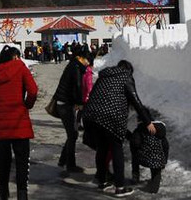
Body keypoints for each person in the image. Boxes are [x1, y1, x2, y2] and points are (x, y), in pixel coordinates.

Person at [82, 60, 155, 198]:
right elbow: (136, 101)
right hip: (111, 117)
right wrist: (147, 122)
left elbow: (92, 95)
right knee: (117, 150)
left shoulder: (104, 76)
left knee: (102, 148)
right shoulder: (126, 77)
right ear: (129, 70)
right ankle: (120, 188)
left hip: (92, 115)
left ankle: (102, 182)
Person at [0, 45, 38, 200]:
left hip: (2, 123)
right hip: (19, 121)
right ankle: (22, 194)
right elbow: (33, 90)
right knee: (22, 160)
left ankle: (3, 192)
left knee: (4, 161)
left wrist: (0, 108)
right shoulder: (21, 68)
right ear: (15, 57)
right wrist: (27, 104)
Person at [52, 46, 89, 172]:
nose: (87, 63)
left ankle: (63, 160)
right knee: (73, 134)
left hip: (64, 102)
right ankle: (70, 165)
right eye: (87, 60)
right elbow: (78, 86)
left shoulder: (73, 65)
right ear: (81, 58)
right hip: (65, 104)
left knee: (72, 134)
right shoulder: (76, 67)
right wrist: (80, 102)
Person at [128, 109, 169, 194]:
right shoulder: (161, 129)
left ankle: (135, 176)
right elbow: (166, 146)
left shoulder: (139, 130)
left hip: (143, 158)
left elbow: (136, 143)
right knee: (156, 172)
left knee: (134, 155)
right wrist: (164, 160)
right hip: (158, 159)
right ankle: (154, 188)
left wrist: (130, 136)